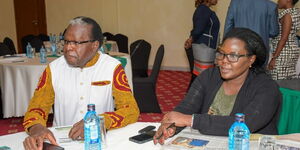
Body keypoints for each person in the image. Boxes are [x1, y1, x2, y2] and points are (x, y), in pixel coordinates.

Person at [22, 16, 140, 150]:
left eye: (76, 43)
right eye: (66, 41)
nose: (68, 48)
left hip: (101, 141)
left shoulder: (112, 68)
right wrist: (36, 128)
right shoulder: (53, 69)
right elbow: (37, 108)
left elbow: (131, 110)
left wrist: (99, 121)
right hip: (61, 143)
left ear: (95, 45)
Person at [154, 28, 282, 145]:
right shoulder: (209, 76)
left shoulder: (267, 88)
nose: (223, 61)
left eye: (233, 56)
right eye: (221, 54)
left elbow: (244, 125)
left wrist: (191, 120)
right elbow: (187, 107)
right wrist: (172, 124)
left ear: (251, 59)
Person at [184, 0, 220, 87]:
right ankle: (193, 97)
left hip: (205, 47)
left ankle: (192, 97)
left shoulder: (204, 10)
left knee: (200, 76)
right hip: (204, 48)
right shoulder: (204, 10)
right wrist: (191, 39)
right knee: (202, 77)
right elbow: (198, 30)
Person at [268, 0, 300, 80]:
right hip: (289, 49)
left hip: (283, 52)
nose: (278, 1)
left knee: (277, 80)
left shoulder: (287, 15)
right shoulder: (295, 12)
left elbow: (284, 38)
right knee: (286, 80)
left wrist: (274, 58)